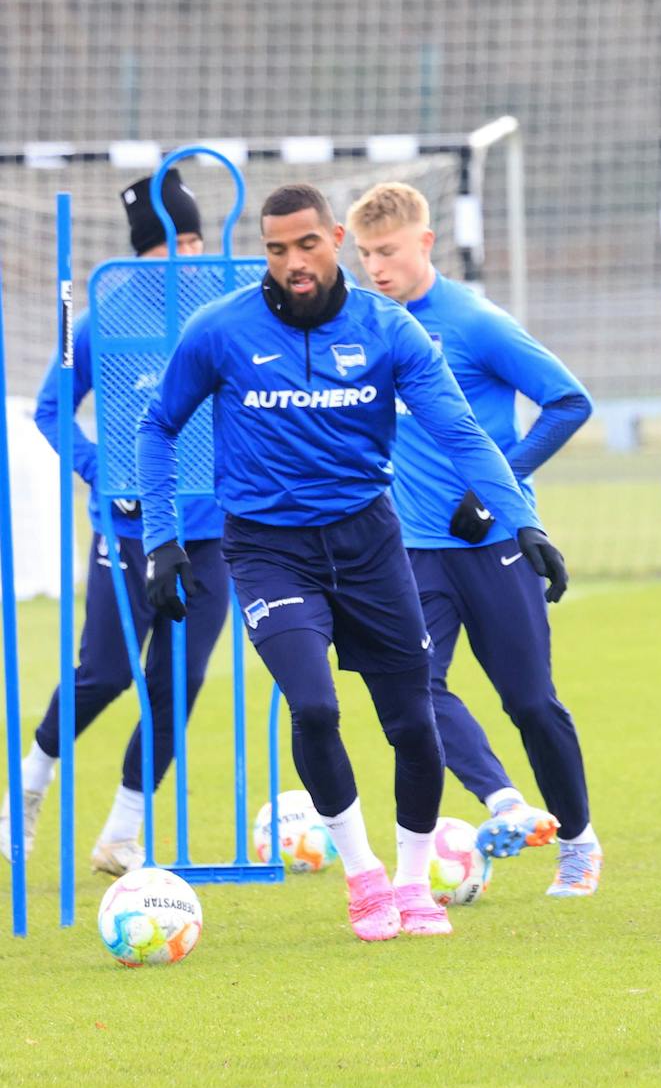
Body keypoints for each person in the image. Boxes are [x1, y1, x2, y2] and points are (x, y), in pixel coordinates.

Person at [137, 183, 568, 942]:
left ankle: (412, 882)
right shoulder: (219, 330)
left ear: (334, 238)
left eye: (307, 245)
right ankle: (364, 877)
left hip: (370, 542)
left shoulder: (390, 330)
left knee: (411, 720)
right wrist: (162, 540)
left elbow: (464, 432)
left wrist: (524, 521)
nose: (293, 263)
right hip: (268, 550)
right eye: (276, 250)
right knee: (316, 706)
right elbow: (158, 424)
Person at [349, 182, 601, 897]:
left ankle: (579, 841)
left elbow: (568, 399)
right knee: (415, 690)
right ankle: (506, 803)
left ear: (425, 244)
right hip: (407, 550)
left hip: (494, 545)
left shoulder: (473, 321)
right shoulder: (364, 325)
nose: (376, 265)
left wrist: (499, 487)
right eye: (365, 253)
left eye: (388, 250)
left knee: (529, 701)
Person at [2, 172, 229, 876]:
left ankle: (121, 831)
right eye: (171, 242)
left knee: (179, 680)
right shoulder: (102, 319)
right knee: (104, 672)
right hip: (128, 531)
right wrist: (106, 471)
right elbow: (50, 410)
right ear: (141, 252)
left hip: (209, 532)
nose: (185, 255)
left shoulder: (220, 313)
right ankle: (29, 786)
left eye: (193, 240)